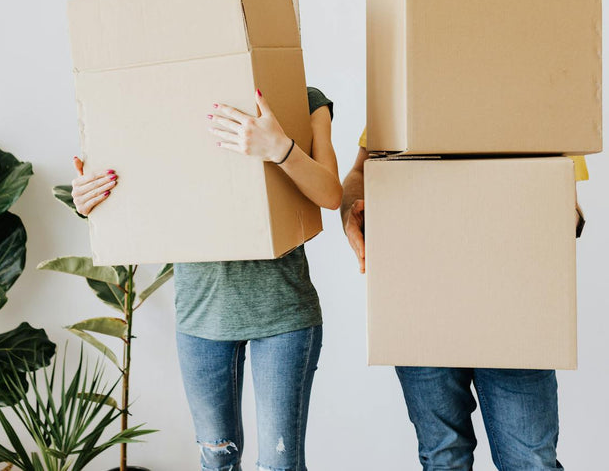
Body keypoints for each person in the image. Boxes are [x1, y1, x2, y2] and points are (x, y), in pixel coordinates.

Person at [72, 86, 341, 471]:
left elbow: (331, 194)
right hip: (202, 317)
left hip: (284, 314)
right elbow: (138, 186)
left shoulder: (304, 98)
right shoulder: (167, 99)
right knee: (217, 461)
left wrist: (280, 148)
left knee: (280, 466)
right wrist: (91, 198)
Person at [340, 129, 578, 471]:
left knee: (531, 462)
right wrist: (351, 211)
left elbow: (562, 184)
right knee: (444, 458)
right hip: (421, 297)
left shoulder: (539, 87)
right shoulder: (407, 82)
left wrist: (551, 222)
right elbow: (363, 172)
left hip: (514, 306)